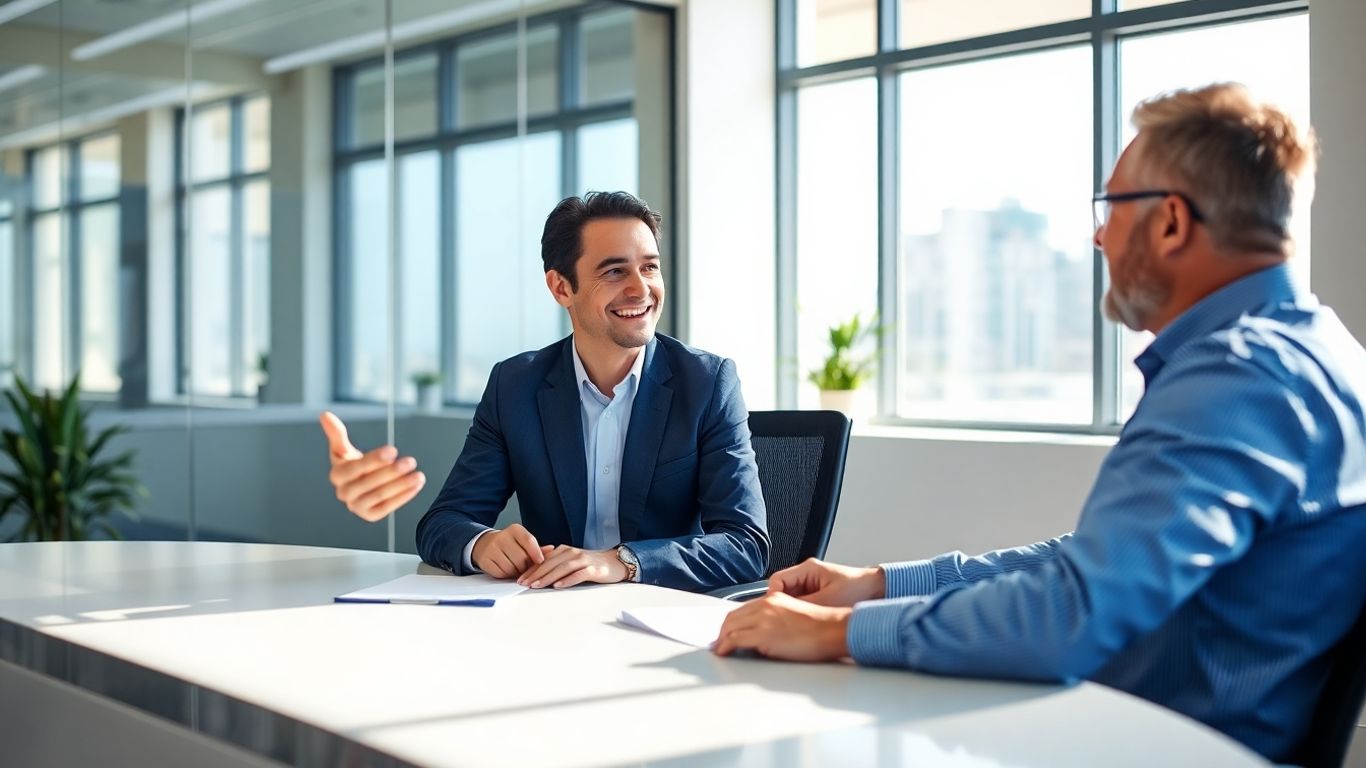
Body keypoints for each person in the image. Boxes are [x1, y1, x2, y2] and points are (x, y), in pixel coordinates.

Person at [713, 83, 1366, 762]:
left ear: (1172, 221)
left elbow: (1070, 614)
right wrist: (879, 585)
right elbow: (1094, 562)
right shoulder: (1319, 353)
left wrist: (835, 635)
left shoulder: (1235, 377)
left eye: (1111, 207)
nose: (1097, 234)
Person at [321, 191, 769, 593]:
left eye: (649, 266)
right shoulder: (515, 386)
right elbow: (442, 524)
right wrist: (483, 544)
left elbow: (745, 545)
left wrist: (621, 563)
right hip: (548, 622)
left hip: (659, 622)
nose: (641, 288)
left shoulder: (707, 383)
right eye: (614, 271)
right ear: (561, 288)